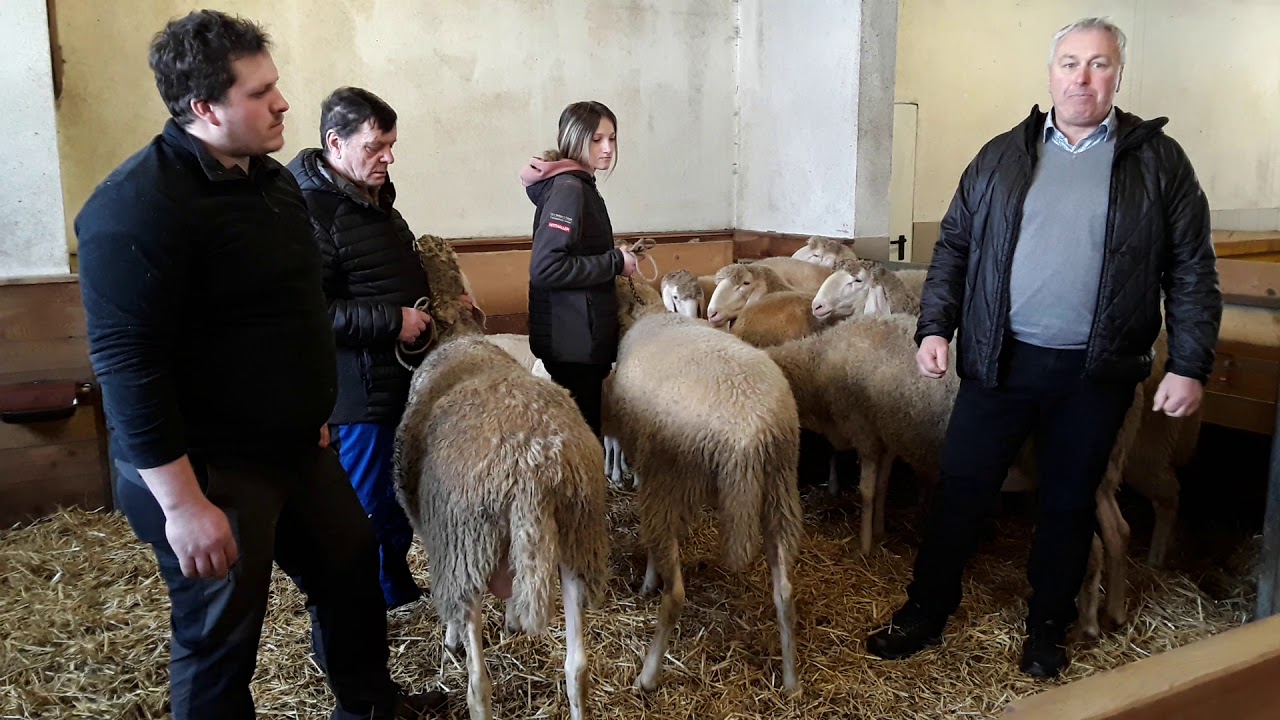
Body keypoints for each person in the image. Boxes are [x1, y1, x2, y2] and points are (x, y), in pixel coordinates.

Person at [74, 11, 446, 718]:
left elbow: (296, 310)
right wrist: (183, 505)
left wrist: (310, 411)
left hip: (295, 446)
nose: (282, 102)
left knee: (350, 567)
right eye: (260, 92)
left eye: (274, 85)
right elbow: (127, 365)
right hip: (208, 465)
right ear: (205, 107)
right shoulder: (136, 208)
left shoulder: (273, 185)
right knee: (222, 629)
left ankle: (370, 708)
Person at [865, 17, 1221, 678]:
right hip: (1001, 359)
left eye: (1099, 64)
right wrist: (934, 327)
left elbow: (1192, 269)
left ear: (1118, 74)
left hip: (1097, 370)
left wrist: (1191, 363)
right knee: (961, 487)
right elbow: (954, 247)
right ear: (1051, 73)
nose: (1082, 78)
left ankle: (1048, 627)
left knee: (1068, 501)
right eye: (1070, 63)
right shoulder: (1003, 154)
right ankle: (925, 610)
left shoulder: (1158, 163)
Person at [287, 87, 471, 610]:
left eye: (391, 146)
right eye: (375, 146)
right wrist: (393, 320)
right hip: (359, 393)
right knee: (369, 504)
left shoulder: (374, 202)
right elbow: (313, 310)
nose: (388, 158)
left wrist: (443, 299)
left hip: (396, 380)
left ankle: (394, 588)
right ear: (335, 143)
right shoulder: (311, 212)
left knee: (395, 499)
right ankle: (369, 599)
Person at [519, 101, 638, 437]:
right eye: (597, 139)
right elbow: (546, 267)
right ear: (574, 140)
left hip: (578, 339)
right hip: (573, 343)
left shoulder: (579, 185)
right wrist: (616, 262)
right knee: (583, 443)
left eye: (612, 138)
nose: (608, 148)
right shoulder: (569, 190)